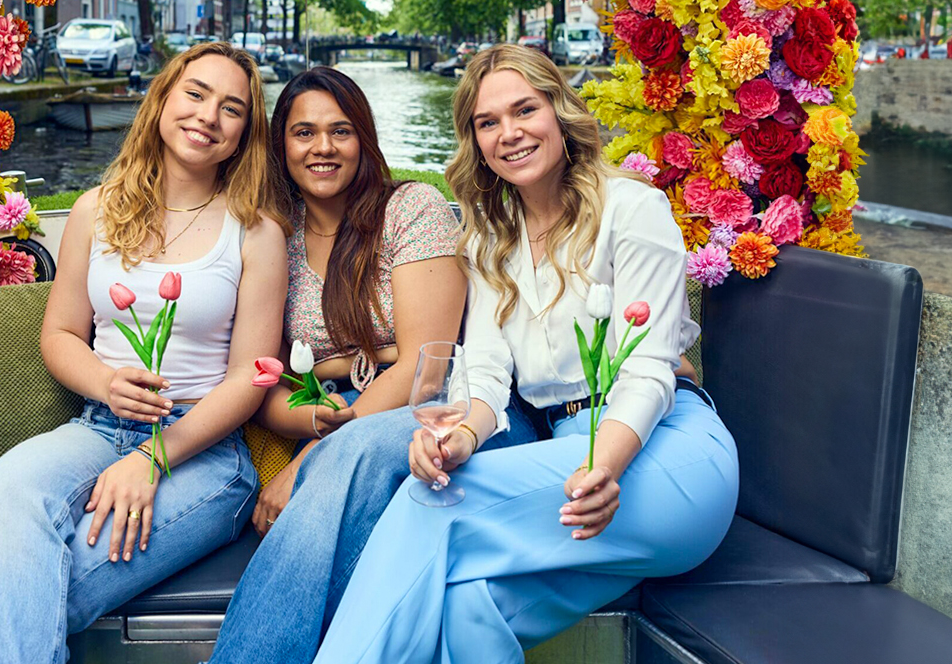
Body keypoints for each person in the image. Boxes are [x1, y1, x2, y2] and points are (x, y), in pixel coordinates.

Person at [312, 45, 739, 664]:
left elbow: (648, 370)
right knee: (464, 611)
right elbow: (484, 374)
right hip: (567, 458)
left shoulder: (633, 208)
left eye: (524, 110)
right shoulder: (489, 236)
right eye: (488, 123)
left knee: (428, 502)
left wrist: (606, 465)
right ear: (475, 141)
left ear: (559, 113)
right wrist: (458, 437)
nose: (509, 133)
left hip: (663, 453)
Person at [0, 42, 288, 664]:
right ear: (162, 99)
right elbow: (59, 336)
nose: (208, 116)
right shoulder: (95, 210)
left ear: (244, 134)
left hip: (205, 454)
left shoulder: (257, 230)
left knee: (27, 588)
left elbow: (250, 376)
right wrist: (106, 384)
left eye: (231, 108)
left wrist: (154, 459)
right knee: (7, 490)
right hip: (98, 429)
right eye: (195, 94)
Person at [207, 66, 541, 664]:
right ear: (281, 145)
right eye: (304, 132)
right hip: (354, 420)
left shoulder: (411, 210)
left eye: (341, 131)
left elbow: (423, 367)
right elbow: (268, 381)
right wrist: (317, 421)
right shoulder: (273, 236)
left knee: (345, 463)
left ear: (364, 138)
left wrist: (318, 450)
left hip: (450, 416)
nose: (323, 148)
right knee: (349, 479)